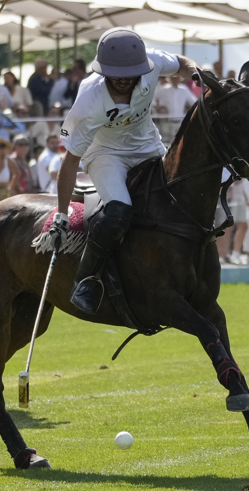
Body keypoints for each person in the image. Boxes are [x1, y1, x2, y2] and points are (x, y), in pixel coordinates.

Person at [50, 28, 199, 313]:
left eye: (129, 73)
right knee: (119, 211)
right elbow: (69, 162)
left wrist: (196, 74)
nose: (122, 79)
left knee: (181, 199)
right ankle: (85, 279)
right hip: (105, 154)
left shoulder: (151, 63)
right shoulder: (88, 100)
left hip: (148, 147)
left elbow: (181, 62)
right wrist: (60, 215)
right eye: (114, 73)